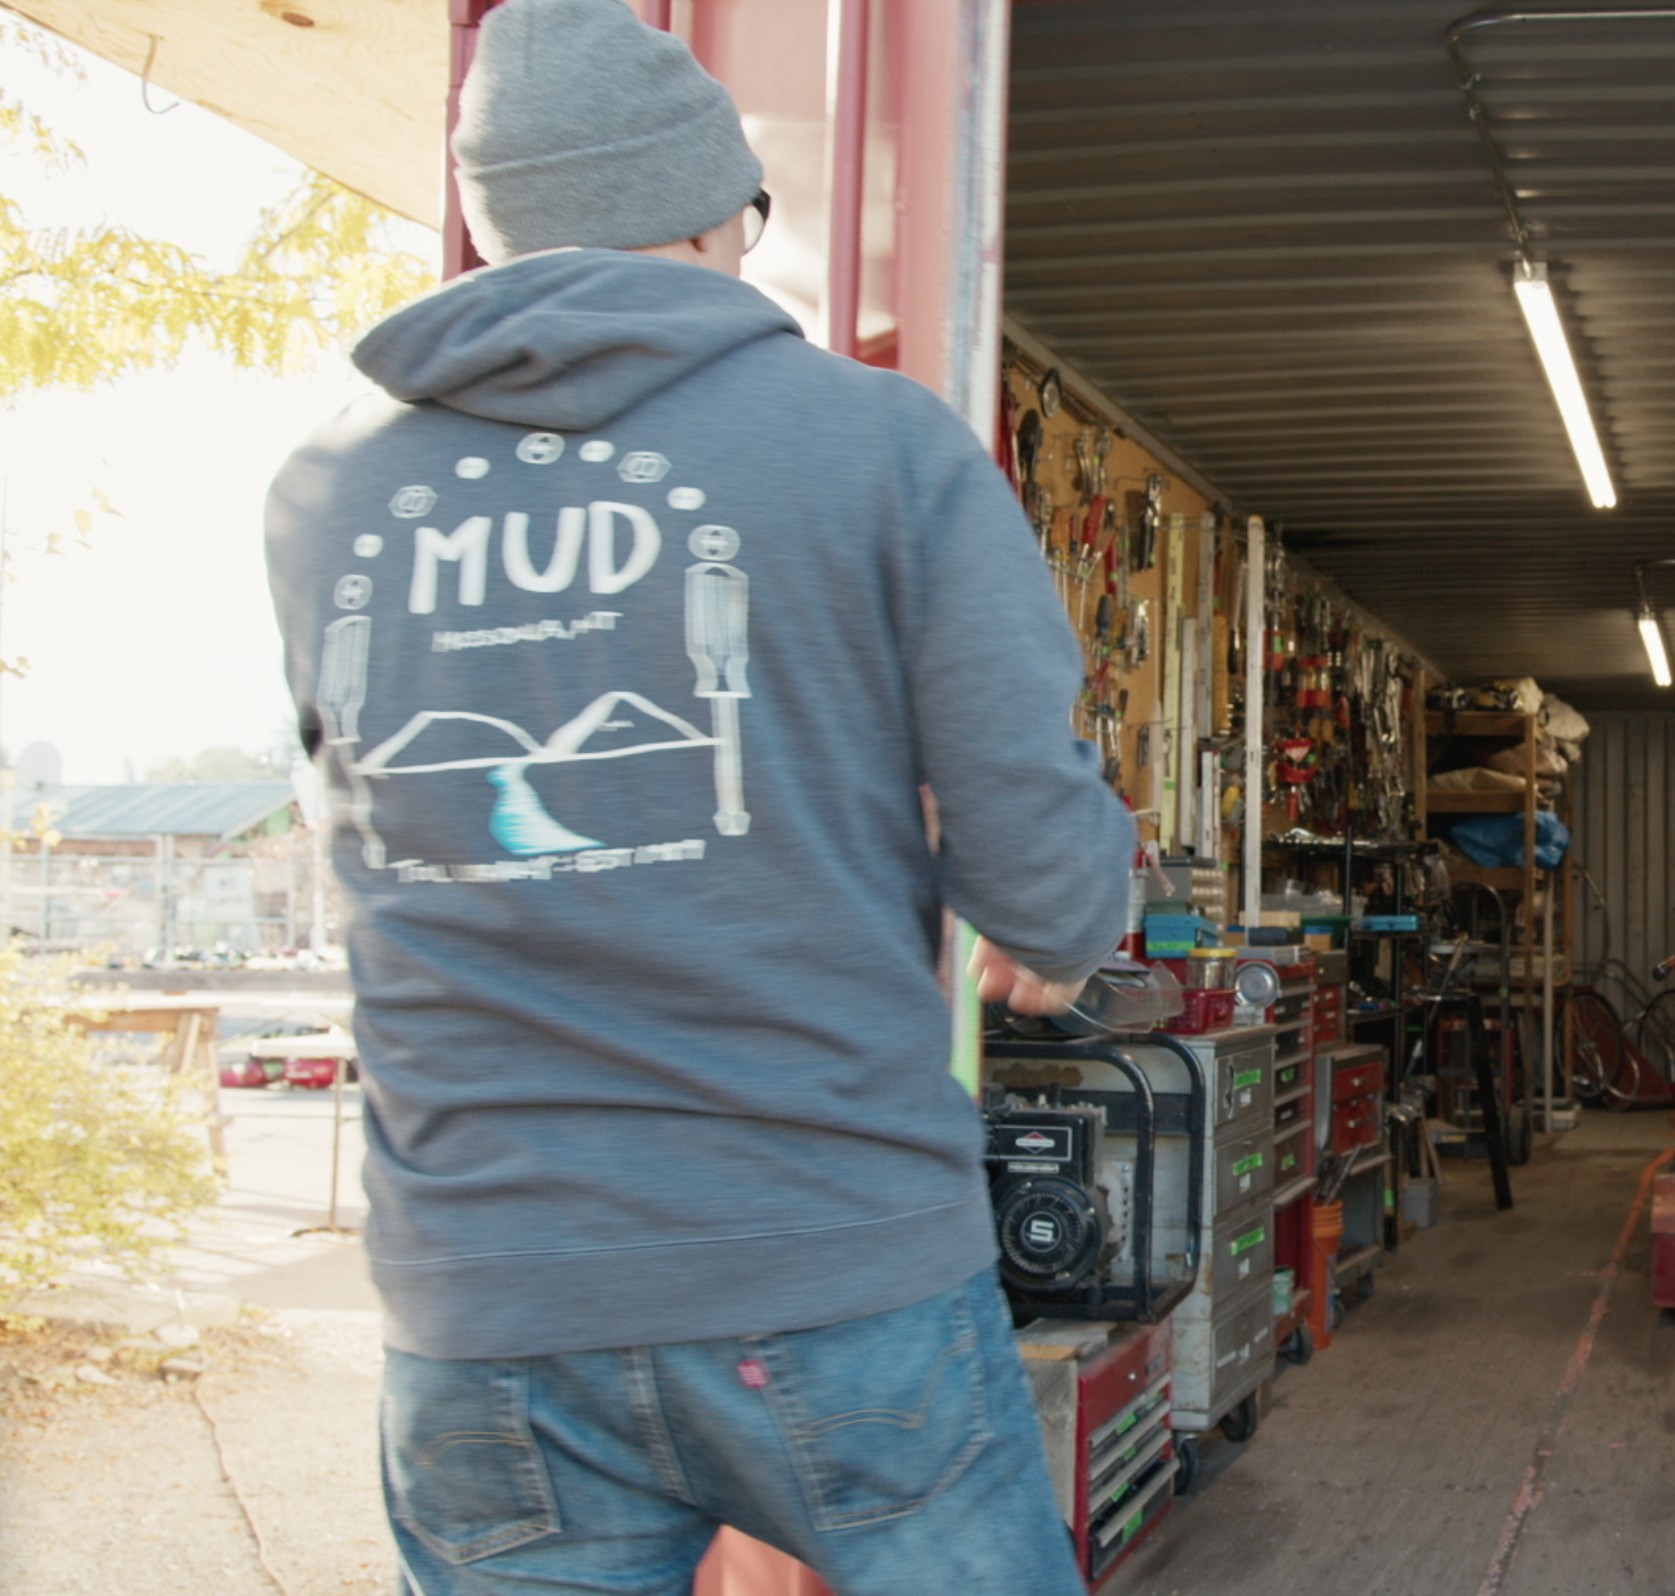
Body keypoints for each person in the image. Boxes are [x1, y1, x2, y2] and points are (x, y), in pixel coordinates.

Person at [263, 1, 1133, 1590]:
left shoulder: (330, 488)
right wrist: (1060, 951)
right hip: (831, 1261)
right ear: (705, 202)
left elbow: (372, 814)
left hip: (486, 1297)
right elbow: (1041, 861)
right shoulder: (883, 448)